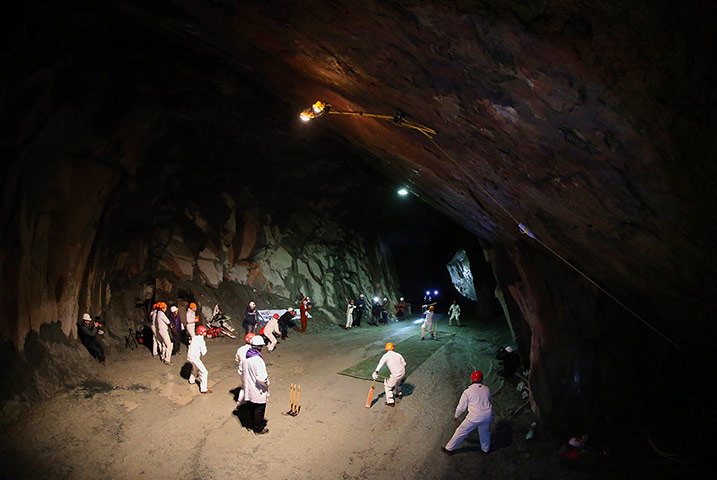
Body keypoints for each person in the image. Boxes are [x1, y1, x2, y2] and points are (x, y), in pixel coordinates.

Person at [442, 370, 493, 455]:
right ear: (482, 379)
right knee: (485, 433)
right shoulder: (487, 389)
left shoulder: (467, 392)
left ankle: (449, 449)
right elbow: (488, 399)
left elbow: (461, 407)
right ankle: (485, 449)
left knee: (461, 431)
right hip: (488, 416)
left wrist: (456, 416)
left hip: (474, 417)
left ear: (472, 379)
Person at [243, 335, 270, 434]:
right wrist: (266, 384)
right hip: (258, 389)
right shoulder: (258, 360)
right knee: (259, 409)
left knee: (251, 407)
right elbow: (261, 378)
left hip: (249, 387)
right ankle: (258, 428)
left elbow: (241, 371)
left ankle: (250, 424)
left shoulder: (246, 358)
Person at [372, 343, 406, 407]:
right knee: (398, 382)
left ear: (386, 349)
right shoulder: (398, 354)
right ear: (393, 348)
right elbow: (404, 363)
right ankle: (399, 394)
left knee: (388, 387)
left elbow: (380, 363)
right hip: (403, 372)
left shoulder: (385, 356)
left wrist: (376, 372)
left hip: (395, 374)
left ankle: (390, 401)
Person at [187, 325, 212, 394]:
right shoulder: (201, 340)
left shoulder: (195, 338)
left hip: (190, 357)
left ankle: (191, 380)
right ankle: (203, 389)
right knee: (204, 372)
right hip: (195, 358)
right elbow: (204, 352)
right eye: (204, 331)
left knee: (194, 369)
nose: (205, 332)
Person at [235, 333, 255, 405]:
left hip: (241, 370)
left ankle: (241, 402)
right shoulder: (252, 350)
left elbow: (237, 359)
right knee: (249, 386)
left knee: (244, 386)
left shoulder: (240, 349)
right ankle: (244, 402)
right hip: (249, 371)